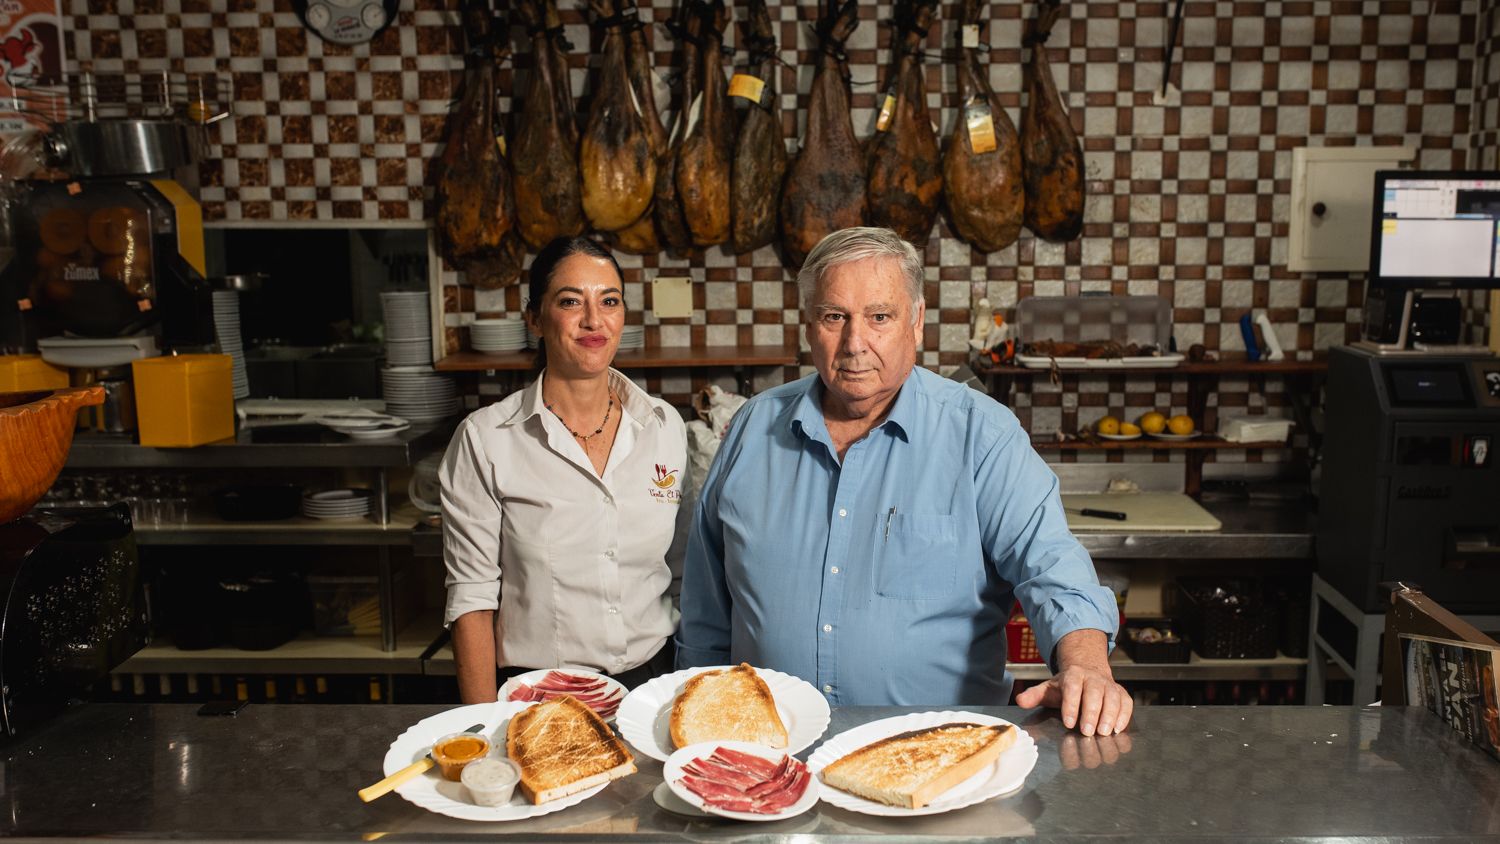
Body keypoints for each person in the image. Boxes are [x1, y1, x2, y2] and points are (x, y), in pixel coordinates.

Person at [676, 227, 1131, 736]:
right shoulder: (752, 430)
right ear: (809, 327)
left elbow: (1052, 566)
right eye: (834, 317)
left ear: (915, 323)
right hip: (769, 757)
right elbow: (705, 610)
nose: (855, 343)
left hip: (936, 762)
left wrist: (1085, 665)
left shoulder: (981, 435)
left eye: (879, 317)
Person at [440, 236, 688, 704]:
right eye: (571, 301)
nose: (594, 320)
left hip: (655, 686)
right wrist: (480, 725)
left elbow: (680, 570)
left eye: (609, 301)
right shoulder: (486, 439)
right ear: (535, 318)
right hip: (543, 695)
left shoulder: (664, 426)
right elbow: (471, 599)